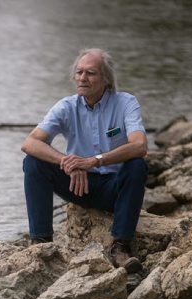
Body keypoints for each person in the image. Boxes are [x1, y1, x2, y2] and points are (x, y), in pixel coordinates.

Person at [21, 48, 148, 273]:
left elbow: (140, 145)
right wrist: (68, 162)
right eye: (79, 72)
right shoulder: (66, 106)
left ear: (106, 79)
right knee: (33, 163)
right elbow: (29, 143)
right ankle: (41, 243)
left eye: (90, 73)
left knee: (137, 165)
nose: (82, 78)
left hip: (114, 189)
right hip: (78, 185)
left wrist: (94, 161)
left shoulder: (126, 103)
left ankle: (120, 247)